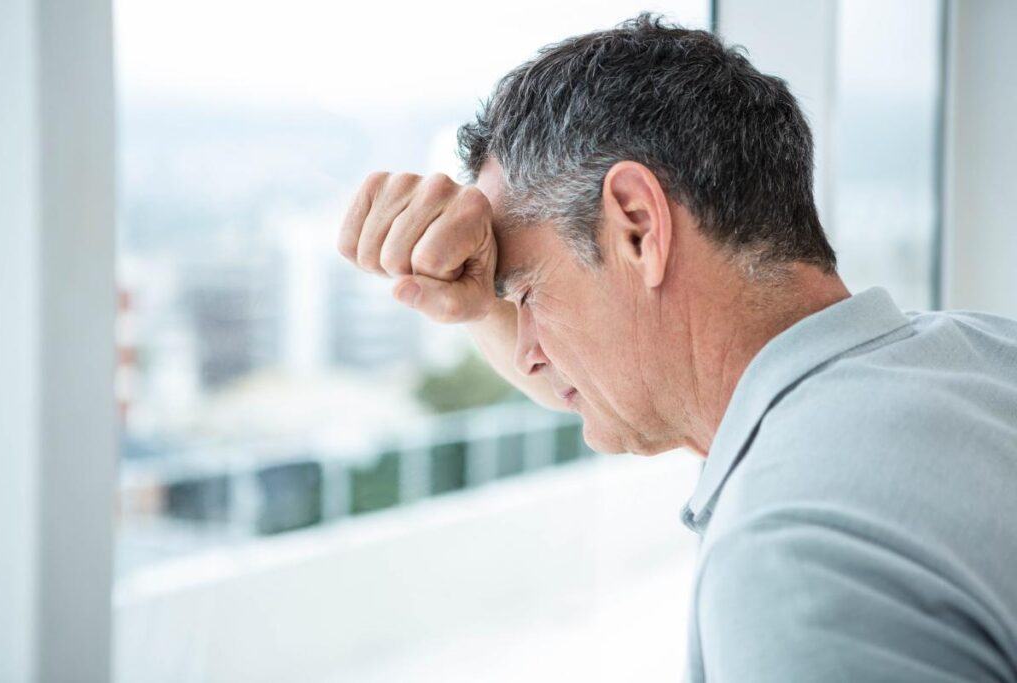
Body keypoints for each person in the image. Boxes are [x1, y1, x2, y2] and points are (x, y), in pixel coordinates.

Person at [337, 13, 1017, 682]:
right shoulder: (982, 358)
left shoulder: (793, 552)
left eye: (526, 295)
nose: (526, 352)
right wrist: (487, 300)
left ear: (638, 227)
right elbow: (599, 373)